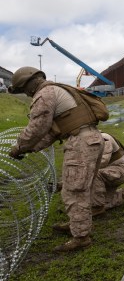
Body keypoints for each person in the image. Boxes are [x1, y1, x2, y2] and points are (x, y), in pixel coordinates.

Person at [8, 67, 104, 252]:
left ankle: (81, 237)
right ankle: (77, 224)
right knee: (83, 187)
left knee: (73, 191)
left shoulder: (45, 94)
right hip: (92, 139)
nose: (27, 94)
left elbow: (38, 127)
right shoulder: (59, 90)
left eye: (25, 89)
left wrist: (19, 147)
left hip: (80, 144)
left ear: (32, 82)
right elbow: (53, 132)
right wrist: (30, 149)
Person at [52, 132, 124, 224]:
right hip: (106, 172)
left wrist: (70, 181)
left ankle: (97, 208)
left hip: (120, 170)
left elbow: (101, 163)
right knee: (105, 203)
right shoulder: (84, 143)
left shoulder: (104, 138)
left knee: (94, 174)